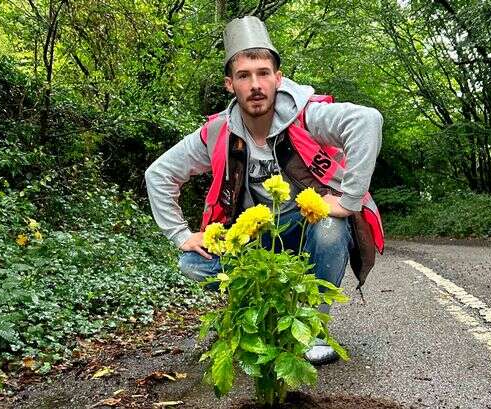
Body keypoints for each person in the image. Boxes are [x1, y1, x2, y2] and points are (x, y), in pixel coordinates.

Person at [145, 16, 384, 365]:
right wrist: (180, 234)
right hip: (255, 239)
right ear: (230, 84)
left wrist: (347, 200)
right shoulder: (217, 133)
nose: (255, 84)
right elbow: (159, 174)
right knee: (192, 262)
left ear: (278, 78)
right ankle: (262, 318)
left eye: (262, 73)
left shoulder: (308, 117)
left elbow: (367, 121)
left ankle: (309, 328)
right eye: (244, 76)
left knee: (331, 228)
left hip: (308, 231)